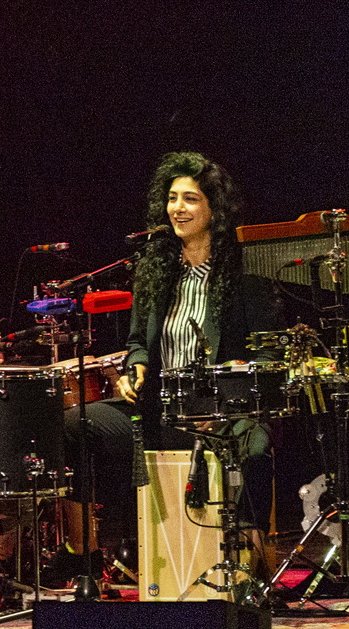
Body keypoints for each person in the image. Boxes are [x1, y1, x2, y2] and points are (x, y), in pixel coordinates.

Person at [59, 151, 283, 579]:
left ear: (215, 209)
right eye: (172, 198)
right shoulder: (155, 268)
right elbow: (137, 343)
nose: (178, 208)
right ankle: (85, 557)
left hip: (224, 411)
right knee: (75, 424)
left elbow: (269, 354)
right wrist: (137, 367)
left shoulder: (245, 271)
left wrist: (231, 395)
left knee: (255, 446)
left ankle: (252, 569)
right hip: (161, 409)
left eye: (191, 199)